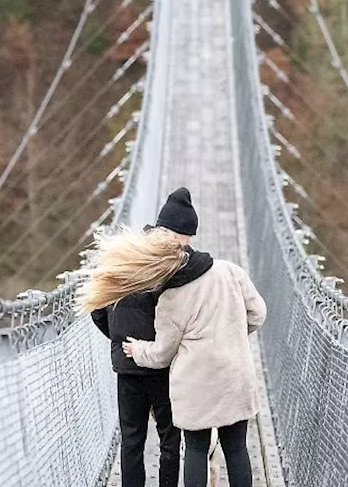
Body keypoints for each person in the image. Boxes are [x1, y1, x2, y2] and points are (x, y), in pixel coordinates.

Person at [80, 187, 266, 487]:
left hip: (164, 373)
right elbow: (258, 314)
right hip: (218, 374)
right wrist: (229, 334)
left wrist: (124, 344)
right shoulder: (217, 272)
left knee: (165, 444)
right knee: (226, 447)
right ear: (187, 236)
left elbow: (104, 312)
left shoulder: (143, 271)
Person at [88, 224, 181, 487]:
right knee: (169, 438)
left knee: (131, 440)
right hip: (160, 365)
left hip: (128, 367)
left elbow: (97, 311)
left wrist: (119, 338)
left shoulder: (117, 271)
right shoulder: (164, 273)